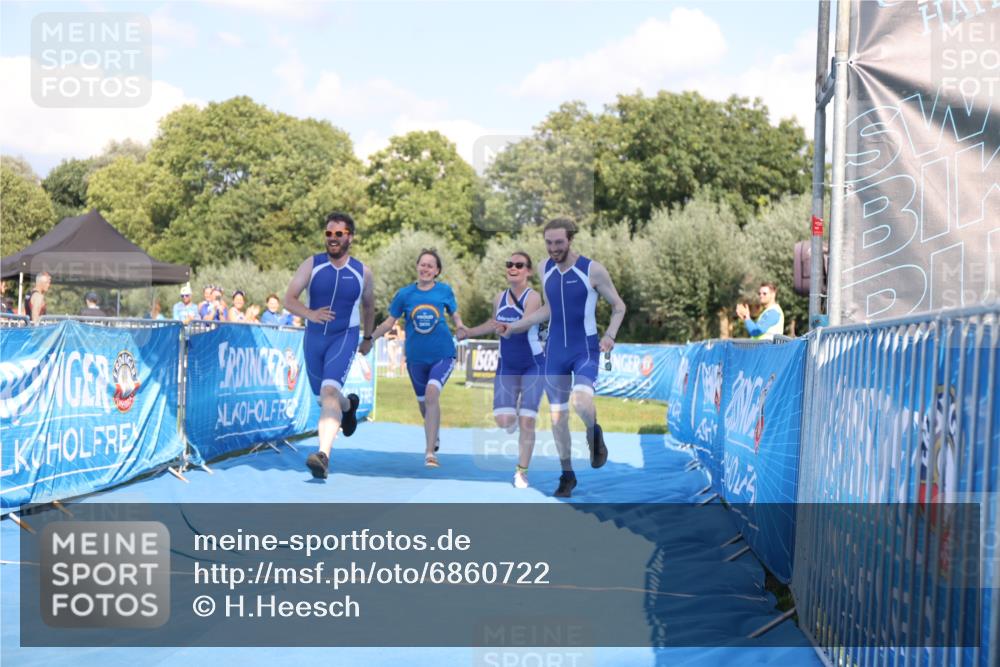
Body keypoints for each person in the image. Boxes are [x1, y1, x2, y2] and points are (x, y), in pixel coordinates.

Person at [499, 218, 626, 498]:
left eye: (559, 242)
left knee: (581, 402)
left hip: (585, 349)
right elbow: (548, 310)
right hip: (554, 353)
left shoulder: (592, 270)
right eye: (548, 243)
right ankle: (567, 474)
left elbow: (619, 306)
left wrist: (610, 336)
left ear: (570, 240)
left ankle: (594, 432)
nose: (553, 248)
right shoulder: (545, 268)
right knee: (557, 419)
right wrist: (516, 326)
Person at [284, 212, 374, 479]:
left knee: (329, 392)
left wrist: (368, 338)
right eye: (328, 234)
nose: (332, 238)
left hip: (343, 336)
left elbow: (369, 306)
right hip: (313, 339)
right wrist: (310, 313)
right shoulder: (312, 264)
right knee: (325, 397)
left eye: (338, 234)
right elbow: (289, 298)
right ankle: (349, 408)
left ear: (350, 237)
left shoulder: (362, 272)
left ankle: (322, 455)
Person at [457, 251, 544, 489]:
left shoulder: (533, 297)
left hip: (533, 365)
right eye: (509, 264)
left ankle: (521, 472)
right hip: (507, 364)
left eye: (519, 265)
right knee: (504, 421)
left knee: (527, 421)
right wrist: (469, 331)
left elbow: (525, 322)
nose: (513, 268)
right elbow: (492, 323)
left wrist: (509, 328)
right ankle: (513, 414)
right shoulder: (499, 297)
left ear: (528, 271)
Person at [370, 249, 464, 468]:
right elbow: (388, 322)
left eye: (430, 266)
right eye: (423, 264)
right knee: (425, 404)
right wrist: (370, 338)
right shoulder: (404, 294)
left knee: (432, 395)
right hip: (415, 359)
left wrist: (459, 326)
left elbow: (455, 313)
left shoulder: (444, 291)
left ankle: (430, 452)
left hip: (443, 354)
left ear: (437, 271)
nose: (426, 268)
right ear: (417, 267)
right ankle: (434, 433)